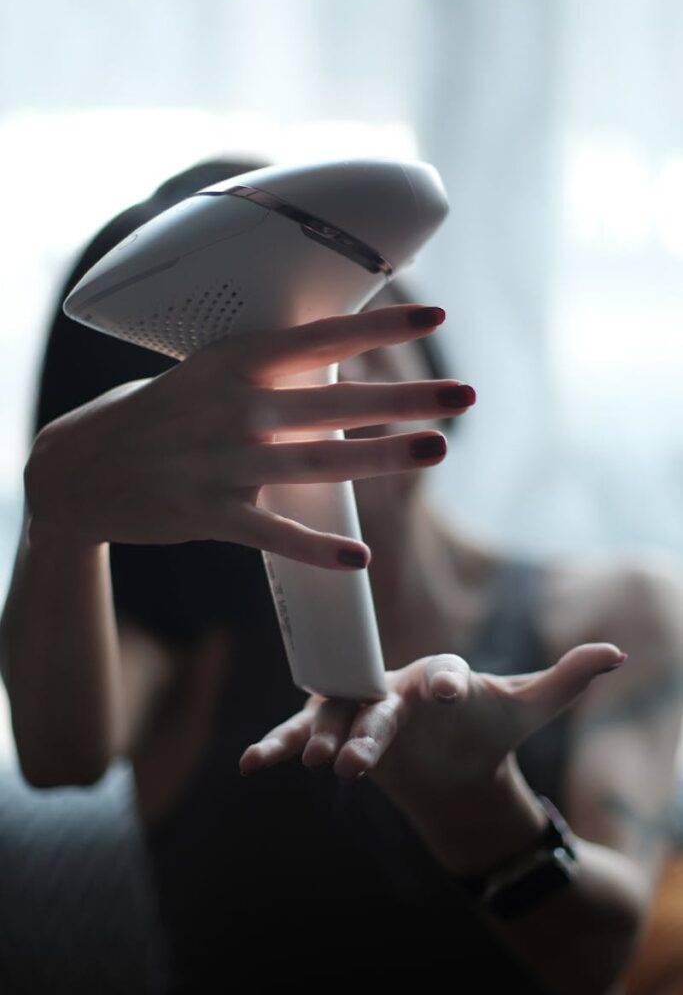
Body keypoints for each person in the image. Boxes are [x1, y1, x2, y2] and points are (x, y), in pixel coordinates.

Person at [1, 157, 683, 995]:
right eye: (242, 349)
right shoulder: (188, 656)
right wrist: (59, 516)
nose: (314, 361)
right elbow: (60, 756)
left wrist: (476, 810)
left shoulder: (620, 612)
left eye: (342, 302)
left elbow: (596, 958)